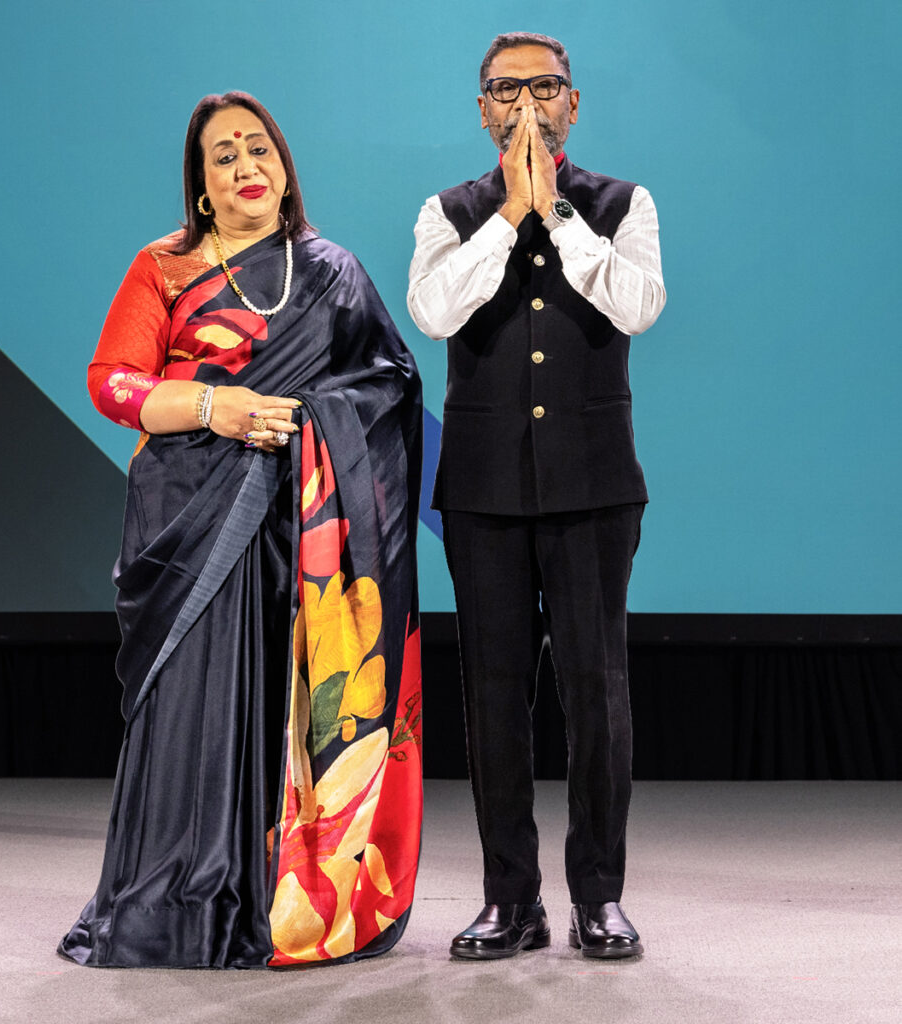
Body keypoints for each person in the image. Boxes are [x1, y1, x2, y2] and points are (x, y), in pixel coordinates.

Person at [59, 91, 423, 969]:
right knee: (192, 705)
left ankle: (281, 898)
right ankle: (177, 896)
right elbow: (112, 381)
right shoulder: (164, 266)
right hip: (189, 519)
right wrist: (211, 407)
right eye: (222, 157)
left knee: (283, 701)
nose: (245, 167)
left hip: (302, 527)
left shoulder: (332, 271)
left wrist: (310, 422)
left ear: (285, 169)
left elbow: (391, 384)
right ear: (200, 186)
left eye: (258, 149)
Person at [407, 33, 665, 960]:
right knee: (495, 694)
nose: (526, 103)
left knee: (598, 692)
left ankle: (599, 896)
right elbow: (434, 310)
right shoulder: (447, 212)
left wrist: (553, 213)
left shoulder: (624, 204)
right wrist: (510, 215)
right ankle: (510, 900)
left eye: (544, 87)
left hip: (594, 485)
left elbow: (639, 304)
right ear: (482, 109)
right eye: (505, 89)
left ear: (573, 103)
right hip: (484, 490)